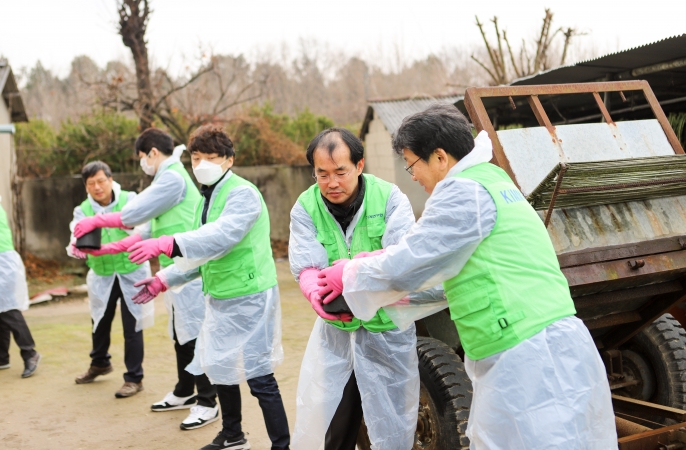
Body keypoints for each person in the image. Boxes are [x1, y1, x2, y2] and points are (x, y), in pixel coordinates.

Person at [317, 104, 617, 449]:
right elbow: (448, 274)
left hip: (527, 355)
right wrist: (384, 283)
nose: (412, 175)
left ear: (440, 157)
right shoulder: (493, 180)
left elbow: (415, 259)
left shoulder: (462, 192)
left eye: (412, 164)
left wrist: (351, 273)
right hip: (547, 343)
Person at [128, 125, 289, 450]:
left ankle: (281, 445)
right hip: (221, 299)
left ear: (229, 159)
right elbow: (204, 254)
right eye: (196, 157)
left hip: (252, 297)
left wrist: (167, 242)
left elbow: (221, 236)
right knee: (219, 368)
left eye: (211, 157)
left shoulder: (241, 193)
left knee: (259, 378)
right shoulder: (209, 196)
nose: (201, 164)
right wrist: (164, 279)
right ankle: (232, 435)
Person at [289, 128, 438, 450]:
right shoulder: (305, 206)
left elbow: (402, 257)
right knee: (334, 421)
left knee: (393, 424)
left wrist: (356, 270)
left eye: (340, 172)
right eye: (322, 174)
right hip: (337, 332)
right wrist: (314, 290)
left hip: (385, 330)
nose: (332, 183)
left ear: (359, 165)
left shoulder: (389, 197)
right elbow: (306, 263)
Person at [74, 128, 216, 430]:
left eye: (141, 157)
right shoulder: (166, 177)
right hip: (173, 269)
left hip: (190, 266)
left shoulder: (172, 177)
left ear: (152, 153)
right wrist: (110, 248)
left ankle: (208, 401)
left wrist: (97, 220)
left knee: (194, 336)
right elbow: (148, 230)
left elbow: (132, 214)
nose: (142, 164)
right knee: (180, 334)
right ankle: (184, 391)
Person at [67, 161, 154, 398]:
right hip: (103, 275)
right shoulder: (82, 209)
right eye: (91, 183)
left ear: (110, 179)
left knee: (132, 325)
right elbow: (75, 233)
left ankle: (134, 378)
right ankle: (100, 363)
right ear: (85, 186)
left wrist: (107, 220)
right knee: (99, 322)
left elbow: (141, 229)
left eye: (101, 181)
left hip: (131, 271)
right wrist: (75, 246)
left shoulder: (130, 199)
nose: (97, 187)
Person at [0, 197, 41, 378]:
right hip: (4, 260)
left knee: (8, 309)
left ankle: (30, 353)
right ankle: (2, 357)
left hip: (2, 262)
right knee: (2, 309)